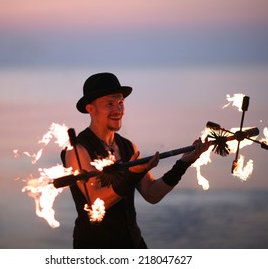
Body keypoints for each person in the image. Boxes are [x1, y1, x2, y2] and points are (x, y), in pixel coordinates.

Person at [62, 72, 209, 249]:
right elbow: (96, 202)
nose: (118, 110)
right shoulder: (77, 149)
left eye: (121, 103)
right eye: (110, 104)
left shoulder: (129, 147)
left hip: (133, 243)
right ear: (90, 108)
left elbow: (152, 194)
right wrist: (131, 175)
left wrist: (184, 163)